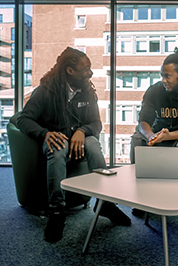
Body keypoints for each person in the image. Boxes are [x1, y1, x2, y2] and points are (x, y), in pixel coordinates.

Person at [17, 47, 131, 243]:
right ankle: (57, 212)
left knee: (93, 144)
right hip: (56, 140)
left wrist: (82, 131)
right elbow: (23, 119)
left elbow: (96, 123)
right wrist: (45, 134)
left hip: (80, 139)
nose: (90, 72)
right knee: (58, 149)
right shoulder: (46, 91)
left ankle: (105, 203)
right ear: (70, 71)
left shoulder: (88, 91)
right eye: (85, 69)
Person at [130, 45, 178, 220]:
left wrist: (169, 136)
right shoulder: (155, 90)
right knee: (137, 137)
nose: (163, 80)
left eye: (167, 76)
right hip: (159, 135)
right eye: (162, 76)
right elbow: (143, 121)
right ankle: (141, 197)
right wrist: (151, 136)